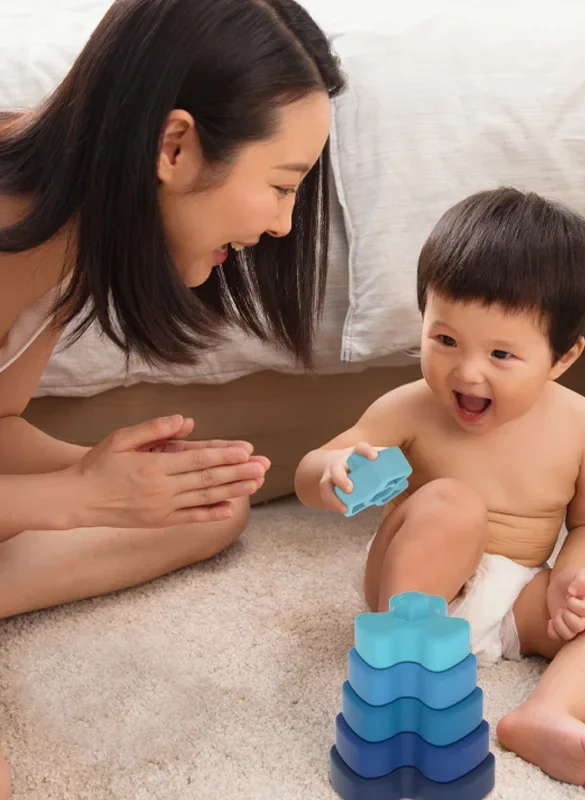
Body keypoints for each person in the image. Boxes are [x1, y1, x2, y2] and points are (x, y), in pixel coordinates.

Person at [0, 0, 345, 794]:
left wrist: (113, 484)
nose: (287, 225)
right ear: (175, 145)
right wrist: (77, 498)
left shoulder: (70, 224)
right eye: (282, 185)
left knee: (204, 513)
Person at [295, 188, 585, 792]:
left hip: (512, 598)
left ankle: (547, 712)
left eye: (501, 353)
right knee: (453, 500)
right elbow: (314, 469)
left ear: (562, 357)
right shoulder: (411, 406)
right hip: (417, 591)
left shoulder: (584, 427)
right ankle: (405, 674)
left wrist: (575, 577)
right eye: (444, 341)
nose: (467, 372)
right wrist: (329, 471)